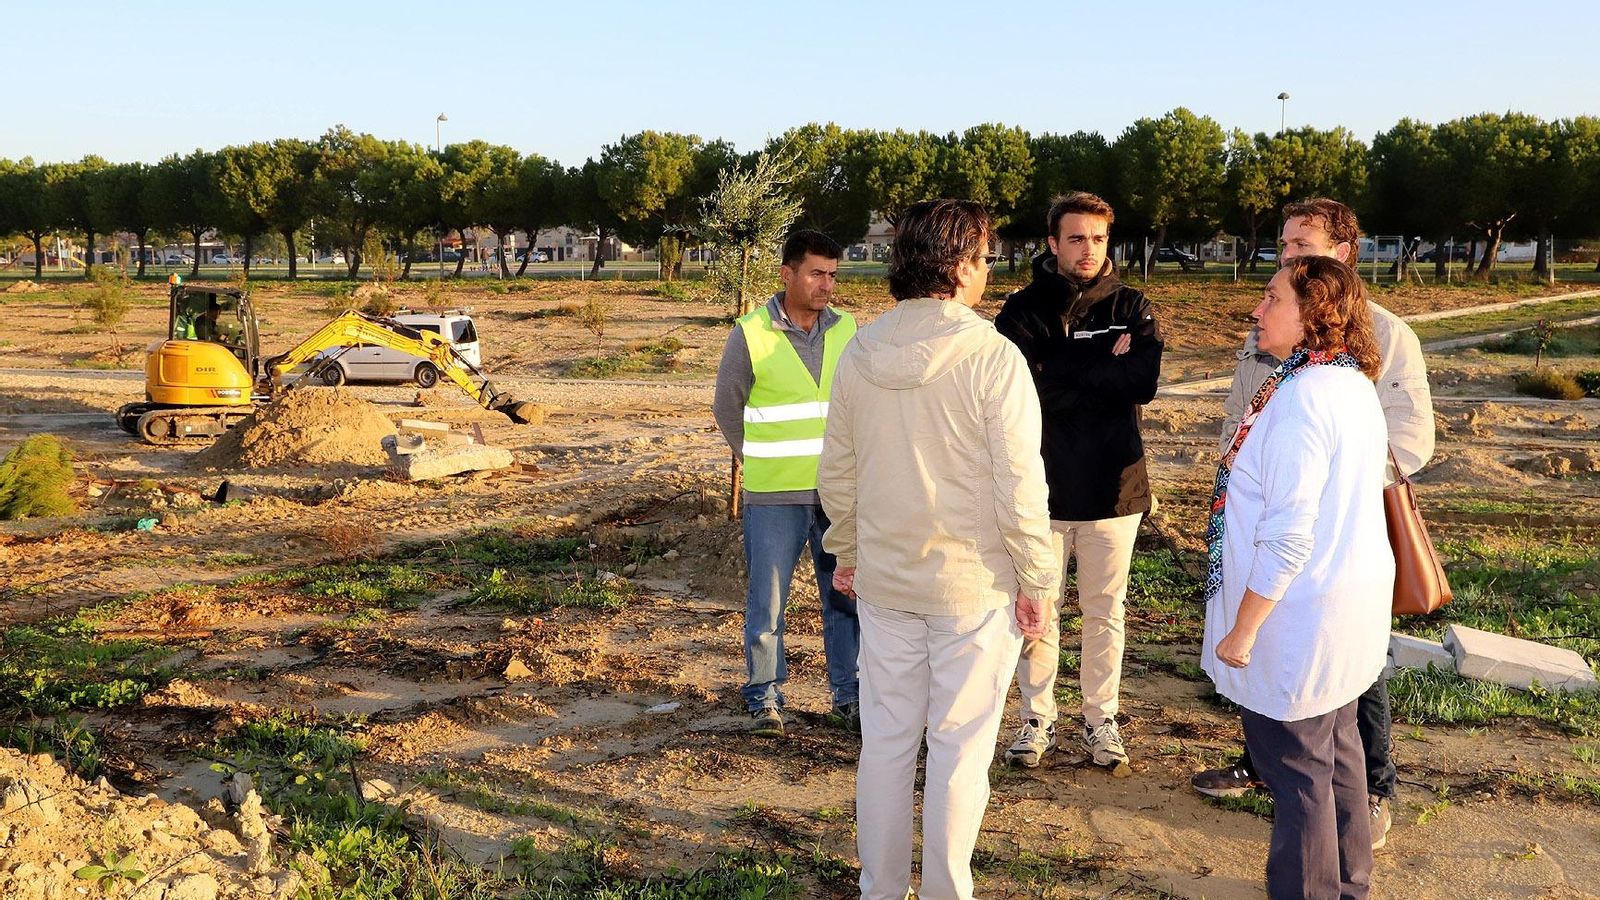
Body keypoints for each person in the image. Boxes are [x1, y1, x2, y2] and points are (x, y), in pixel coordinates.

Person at [818, 199, 1057, 900]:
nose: (988, 270)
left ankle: (880, 890)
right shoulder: (992, 357)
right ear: (957, 263)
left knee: (886, 747)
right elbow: (1021, 483)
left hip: (889, 583)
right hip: (974, 590)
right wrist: (1037, 578)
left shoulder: (860, 349)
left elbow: (838, 470)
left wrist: (849, 551)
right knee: (959, 754)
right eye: (984, 257)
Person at [1193, 198, 1435, 849]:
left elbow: (1411, 438)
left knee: (1349, 670)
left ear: (1344, 254)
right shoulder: (1271, 326)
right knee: (1274, 655)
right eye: (1286, 246)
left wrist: (1335, 479)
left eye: (1306, 247)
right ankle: (1264, 761)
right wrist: (1234, 468)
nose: (1292, 257)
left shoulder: (1383, 336)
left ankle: (1374, 788)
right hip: (1271, 518)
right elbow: (1243, 410)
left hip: (1337, 532)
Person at [1204, 255, 1392, 898]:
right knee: (1339, 756)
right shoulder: (1349, 382)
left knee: (1297, 774)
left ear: (1315, 313)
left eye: (1272, 298)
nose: (1258, 310)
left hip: (1297, 616)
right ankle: (1351, 886)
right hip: (1346, 605)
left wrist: (1242, 631)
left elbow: (1287, 537)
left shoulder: (1303, 402)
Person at [993, 192, 1163, 771]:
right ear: (1052, 244)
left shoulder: (1134, 307)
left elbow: (1141, 381)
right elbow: (1024, 391)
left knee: (1104, 610)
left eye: (1097, 238)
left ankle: (1101, 719)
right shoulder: (1020, 312)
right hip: (1038, 489)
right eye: (1075, 238)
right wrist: (1100, 368)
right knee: (1038, 607)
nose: (1087, 249)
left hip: (1115, 489)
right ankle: (1035, 719)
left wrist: (1060, 366)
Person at [712, 229, 860, 737]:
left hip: (839, 496)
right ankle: (765, 696)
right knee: (768, 601)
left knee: (844, 597)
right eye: (817, 274)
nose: (827, 286)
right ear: (787, 275)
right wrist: (756, 464)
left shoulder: (848, 330)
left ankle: (850, 696)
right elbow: (726, 408)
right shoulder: (751, 332)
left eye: (833, 275)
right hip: (774, 496)